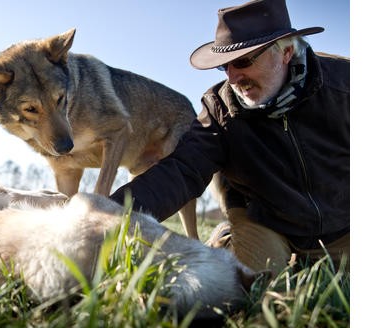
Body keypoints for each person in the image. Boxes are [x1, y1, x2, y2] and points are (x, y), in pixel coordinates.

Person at [109, 0, 349, 274]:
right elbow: (182, 170)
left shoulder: (346, 85)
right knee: (245, 282)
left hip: (345, 223)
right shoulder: (219, 108)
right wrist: (108, 211)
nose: (233, 77)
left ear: (286, 53)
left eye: (243, 61)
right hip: (266, 220)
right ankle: (229, 239)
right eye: (224, 66)